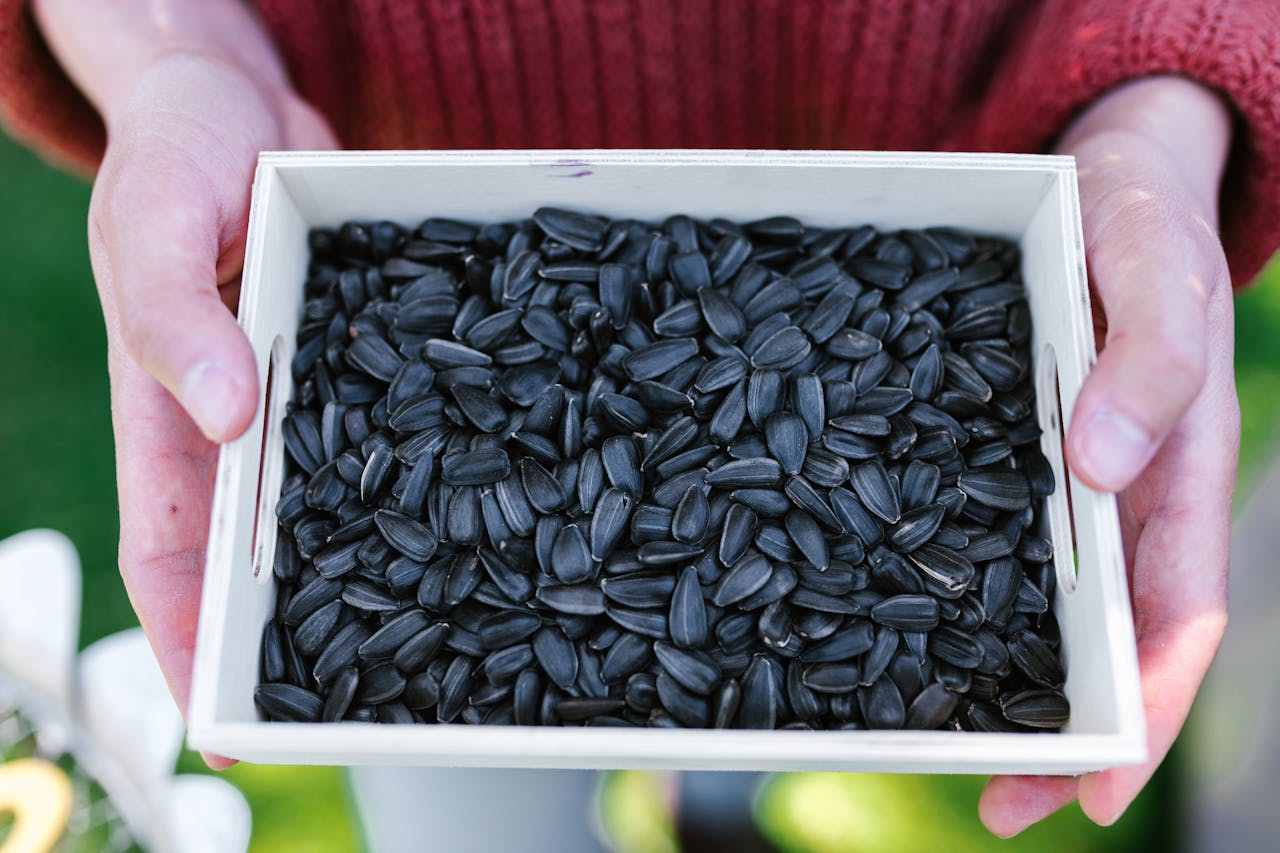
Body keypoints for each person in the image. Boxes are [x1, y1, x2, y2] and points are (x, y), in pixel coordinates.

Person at [1, 0, 1274, 840]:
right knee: (467, 793)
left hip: (937, 177)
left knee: (752, 694)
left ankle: (706, 794)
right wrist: (176, 49)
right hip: (370, 162)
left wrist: (1156, 102)